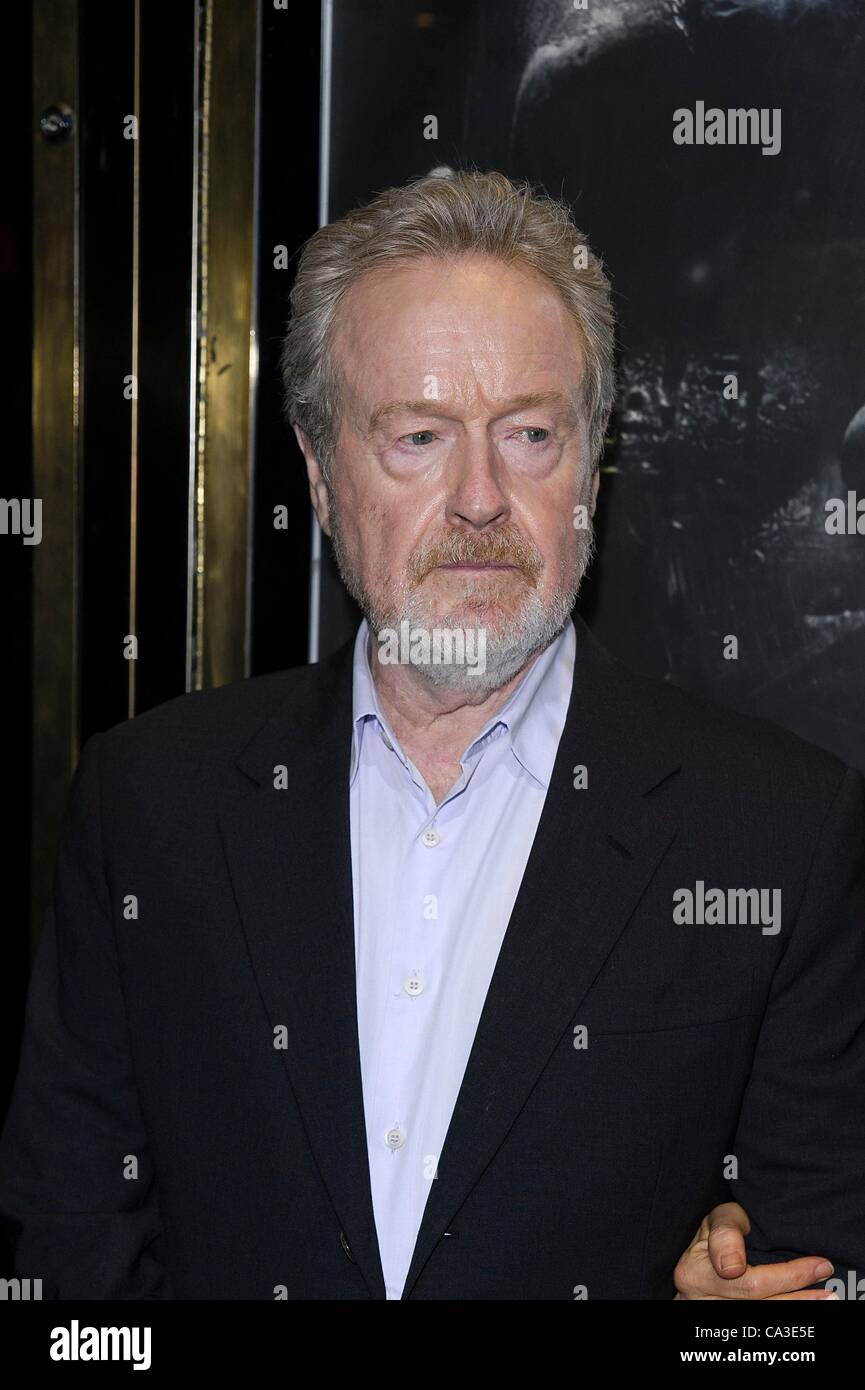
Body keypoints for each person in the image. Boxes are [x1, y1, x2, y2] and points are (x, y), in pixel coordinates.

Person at [1, 170, 861, 1300]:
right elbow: (73, 1274)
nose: (479, 499)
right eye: (418, 435)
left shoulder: (776, 835)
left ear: (590, 468)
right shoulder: (147, 805)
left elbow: (811, 1288)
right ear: (317, 472)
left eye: (530, 434)